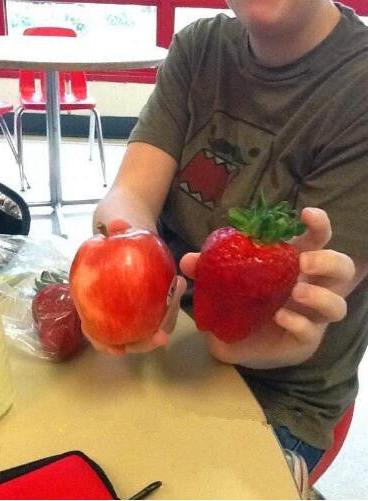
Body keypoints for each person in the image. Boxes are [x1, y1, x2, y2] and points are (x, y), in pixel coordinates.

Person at [90, 0, 368, 474]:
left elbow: (302, 313)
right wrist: (125, 263)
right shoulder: (199, 47)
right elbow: (130, 193)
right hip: (169, 349)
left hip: (279, 397)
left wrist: (254, 338)